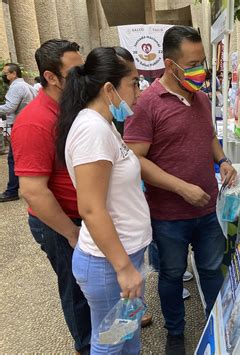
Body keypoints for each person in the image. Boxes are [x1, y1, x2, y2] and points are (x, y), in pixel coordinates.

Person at [124, 25, 236, 355]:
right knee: (171, 275)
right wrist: (180, 188)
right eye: (192, 63)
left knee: (212, 271)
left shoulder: (200, 98)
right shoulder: (146, 104)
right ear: (170, 64)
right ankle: (176, 333)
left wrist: (223, 159)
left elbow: (209, 137)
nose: (200, 70)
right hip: (169, 215)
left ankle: (218, 324)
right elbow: (136, 160)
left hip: (207, 210)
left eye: (202, 61)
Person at [55, 46, 152, 353]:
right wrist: (123, 268)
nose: (139, 91)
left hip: (121, 255)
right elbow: (91, 208)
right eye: (134, 82)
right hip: (109, 263)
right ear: (109, 88)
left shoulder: (105, 124)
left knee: (126, 337)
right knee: (110, 344)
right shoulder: (92, 130)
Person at [11, 39, 91, 354]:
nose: (83, 79)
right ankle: (86, 345)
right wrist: (71, 233)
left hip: (84, 216)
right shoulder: (34, 122)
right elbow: (32, 190)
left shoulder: (73, 108)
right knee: (76, 289)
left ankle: (105, 329)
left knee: (92, 283)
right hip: (60, 223)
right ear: (51, 77)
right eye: (75, 73)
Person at [0, 62, 36, 202]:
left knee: (13, 159)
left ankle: (12, 191)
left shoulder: (17, 87)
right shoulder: (27, 85)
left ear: (13, 74)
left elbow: (9, 107)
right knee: (25, 157)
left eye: (5, 73)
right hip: (28, 124)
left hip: (19, 126)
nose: (4, 76)